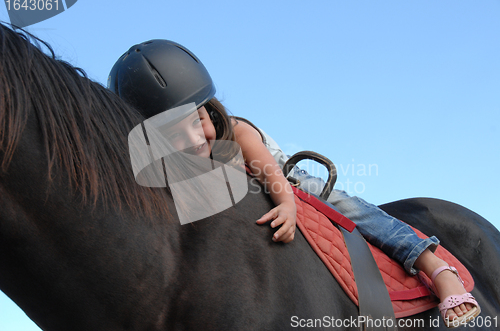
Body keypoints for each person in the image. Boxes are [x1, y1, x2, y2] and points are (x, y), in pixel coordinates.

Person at [108, 39, 480, 327]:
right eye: (173, 133)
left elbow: (270, 175)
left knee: (349, 208)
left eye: (196, 120)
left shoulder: (236, 132)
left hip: (285, 176)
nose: (192, 139)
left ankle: (434, 266)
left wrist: (287, 205)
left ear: (210, 108)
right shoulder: (166, 171)